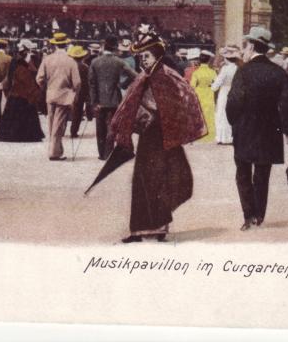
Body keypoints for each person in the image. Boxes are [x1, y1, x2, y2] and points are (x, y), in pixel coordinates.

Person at [109, 25, 206, 243]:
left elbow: (176, 105)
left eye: (146, 56)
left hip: (162, 137)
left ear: (156, 56)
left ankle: (159, 226)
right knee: (143, 180)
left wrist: (154, 115)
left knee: (159, 180)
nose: (142, 60)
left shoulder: (164, 77)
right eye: (141, 56)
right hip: (148, 137)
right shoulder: (146, 77)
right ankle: (139, 230)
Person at [226, 26, 288, 231]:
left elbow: (233, 102)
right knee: (262, 174)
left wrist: (234, 123)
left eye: (246, 44)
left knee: (243, 173)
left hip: (245, 129)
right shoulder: (278, 72)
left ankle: (248, 216)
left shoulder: (243, 72)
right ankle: (259, 215)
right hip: (269, 130)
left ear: (251, 46)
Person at [89, 36, 138, 160]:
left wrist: (94, 102)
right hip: (114, 99)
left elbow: (92, 83)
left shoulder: (95, 62)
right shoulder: (119, 62)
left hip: (99, 101)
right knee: (112, 127)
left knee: (100, 128)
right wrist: (123, 85)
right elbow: (135, 76)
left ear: (104, 46)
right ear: (115, 48)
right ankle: (108, 152)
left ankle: (101, 154)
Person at [36, 32, 81, 160]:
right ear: (66, 44)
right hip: (64, 96)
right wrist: (74, 93)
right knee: (58, 125)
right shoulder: (71, 61)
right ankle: (55, 152)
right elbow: (77, 82)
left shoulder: (47, 59)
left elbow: (39, 78)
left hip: (50, 94)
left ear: (55, 45)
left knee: (51, 123)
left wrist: (45, 87)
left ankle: (55, 149)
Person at [0, 39, 44, 142]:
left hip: (21, 91)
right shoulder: (18, 60)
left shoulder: (28, 59)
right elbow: (12, 75)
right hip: (20, 90)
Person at [211, 45, 240, 145]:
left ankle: (223, 137)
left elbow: (216, 84)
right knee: (233, 114)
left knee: (222, 114)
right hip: (235, 92)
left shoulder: (225, 69)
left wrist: (212, 85)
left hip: (224, 92)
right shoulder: (237, 68)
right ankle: (233, 136)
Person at [190, 50, 217, 142]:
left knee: (200, 112)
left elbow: (192, 86)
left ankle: (200, 133)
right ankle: (210, 135)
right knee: (209, 112)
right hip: (209, 92)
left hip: (199, 92)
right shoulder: (212, 72)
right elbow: (216, 84)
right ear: (209, 60)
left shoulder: (196, 72)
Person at [67, 45, 89, 138]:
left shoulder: (68, 66)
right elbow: (87, 81)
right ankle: (74, 131)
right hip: (81, 92)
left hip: (68, 90)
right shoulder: (85, 67)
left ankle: (62, 130)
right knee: (78, 111)